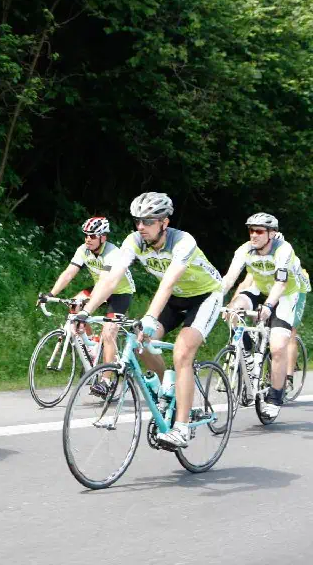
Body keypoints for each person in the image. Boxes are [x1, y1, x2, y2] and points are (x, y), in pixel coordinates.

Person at [77, 192, 223, 448]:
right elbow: (111, 279)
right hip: (176, 298)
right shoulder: (134, 241)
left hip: (204, 296)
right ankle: (168, 389)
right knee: (138, 344)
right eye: (137, 221)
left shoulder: (183, 241)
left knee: (182, 352)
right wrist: (86, 311)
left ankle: (181, 428)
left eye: (147, 221)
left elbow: (167, 284)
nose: (141, 227)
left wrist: (149, 318)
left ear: (164, 222)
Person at [220, 214, 305, 419]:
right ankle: (247, 353)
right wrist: (214, 300)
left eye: (259, 231)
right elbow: (230, 279)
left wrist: (268, 306)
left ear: (272, 234)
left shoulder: (283, 250)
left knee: (278, 346)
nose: (254, 235)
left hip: (286, 294)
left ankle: (275, 397)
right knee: (234, 310)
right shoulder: (244, 250)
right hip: (260, 288)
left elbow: (281, 283)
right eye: (251, 230)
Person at [40, 217, 135, 396]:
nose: (88, 239)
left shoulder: (113, 253)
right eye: (86, 235)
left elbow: (105, 281)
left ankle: (105, 381)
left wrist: (88, 306)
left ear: (103, 237)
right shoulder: (83, 250)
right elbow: (69, 273)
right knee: (74, 305)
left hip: (120, 292)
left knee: (109, 332)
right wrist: (51, 294)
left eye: (92, 236)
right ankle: (92, 345)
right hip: (100, 287)